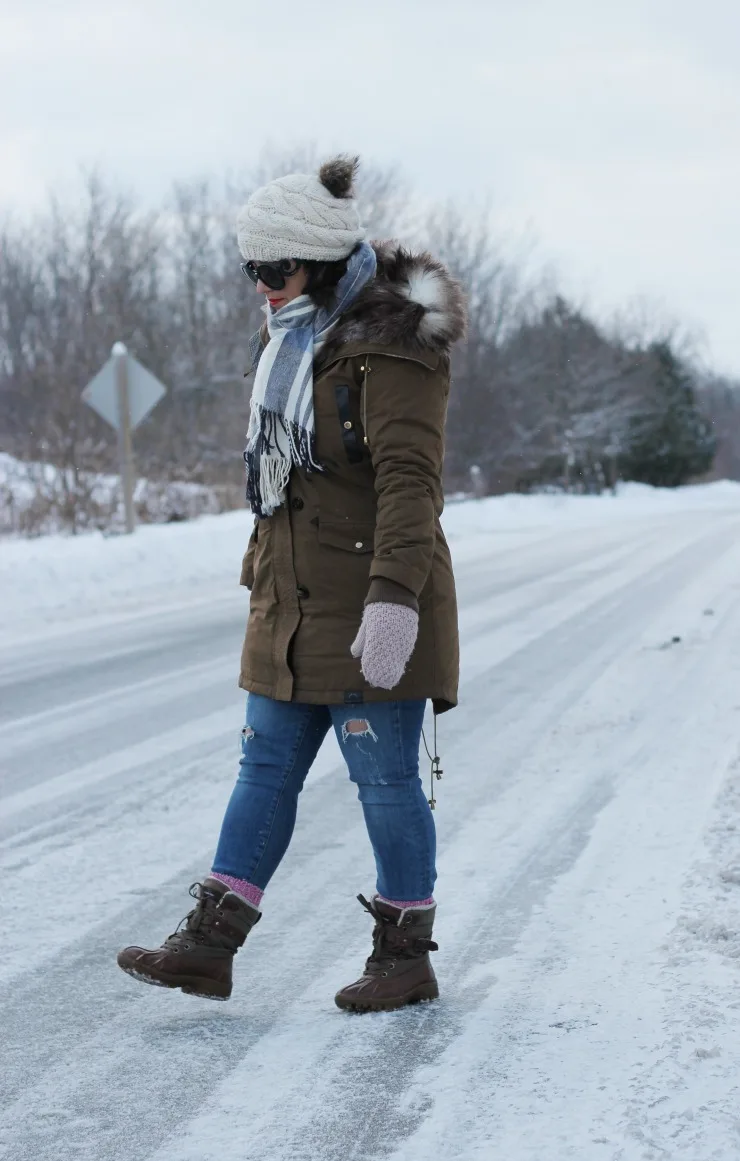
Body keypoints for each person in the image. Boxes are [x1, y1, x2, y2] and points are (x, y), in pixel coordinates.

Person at [117, 156, 466, 1012]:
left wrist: (393, 601)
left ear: (317, 258)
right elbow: (282, 485)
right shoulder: (291, 340)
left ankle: (404, 955)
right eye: (253, 272)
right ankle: (210, 944)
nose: (264, 288)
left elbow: (411, 486)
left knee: (383, 782)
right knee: (263, 766)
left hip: (368, 603)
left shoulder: (393, 349)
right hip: (289, 601)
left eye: (276, 270)